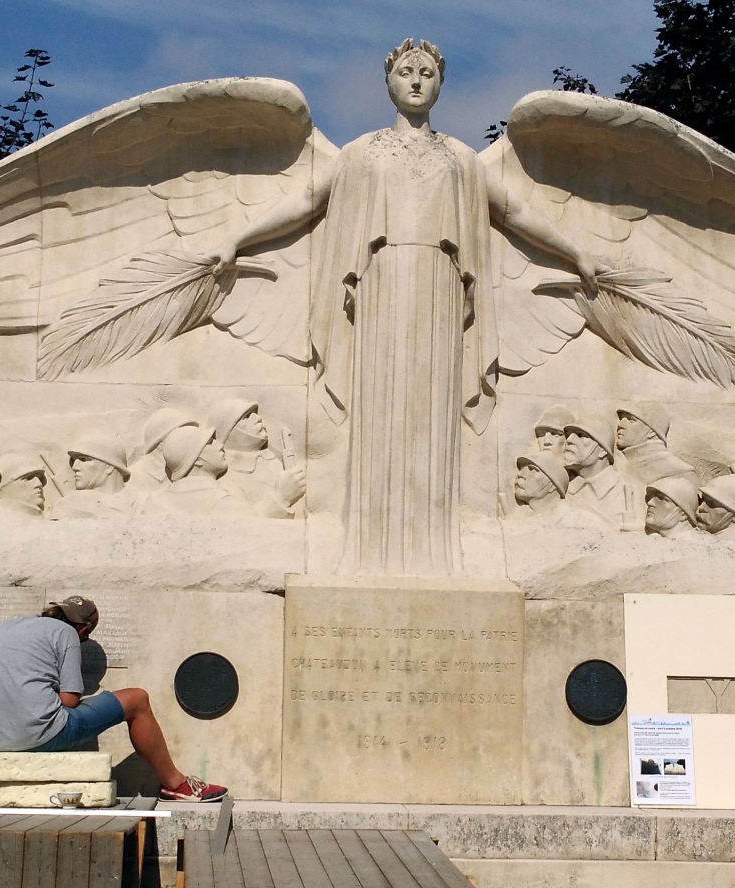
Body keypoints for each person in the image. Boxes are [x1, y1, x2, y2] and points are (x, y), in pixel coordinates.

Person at [205, 39, 601, 575]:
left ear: (441, 84)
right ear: (388, 81)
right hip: (377, 289)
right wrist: (239, 240)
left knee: (433, 422)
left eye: (428, 73)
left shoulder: (460, 158)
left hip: (441, 295)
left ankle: (439, 555)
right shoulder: (360, 154)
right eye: (407, 72)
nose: (417, 81)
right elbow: (304, 203)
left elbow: (515, 212)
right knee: (379, 417)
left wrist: (574, 249)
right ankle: (364, 553)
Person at [0, 596, 226, 802]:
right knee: (137, 699)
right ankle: (176, 784)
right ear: (83, 629)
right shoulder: (65, 634)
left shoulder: (4, 627)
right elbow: (68, 701)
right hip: (36, 735)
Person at [207, 397, 306, 518]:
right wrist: (281, 498)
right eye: (246, 417)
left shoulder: (271, 458)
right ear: (228, 430)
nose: (258, 418)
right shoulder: (227, 477)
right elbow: (240, 524)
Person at [563, 416, 637, 531]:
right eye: (569, 435)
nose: (569, 440)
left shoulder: (627, 489)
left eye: (581, 435)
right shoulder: (564, 488)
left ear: (602, 450)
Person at [50, 436, 137, 519]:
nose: (74, 467)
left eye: (83, 459)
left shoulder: (142, 503)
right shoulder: (68, 505)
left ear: (109, 467)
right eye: (73, 461)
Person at [511, 451, 569, 523]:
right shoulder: (516, 519)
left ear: (552, 485)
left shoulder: (576, 520)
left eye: (532, 469)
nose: (520, 474)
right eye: (521, 469)